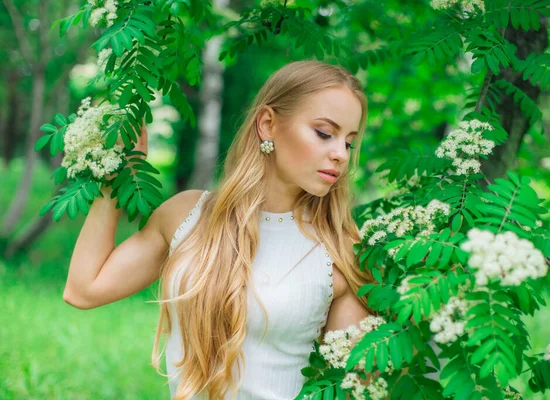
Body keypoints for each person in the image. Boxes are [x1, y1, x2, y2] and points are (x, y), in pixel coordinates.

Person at [63, 60, 377, 399]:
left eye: (349, 142)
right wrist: (115, 179)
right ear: (268, 124)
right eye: (324, 134)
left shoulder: (339, 252)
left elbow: (357, 387)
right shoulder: (187, 215)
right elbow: (83, 290)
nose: (340, 154)